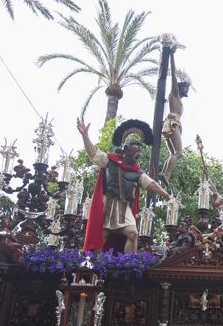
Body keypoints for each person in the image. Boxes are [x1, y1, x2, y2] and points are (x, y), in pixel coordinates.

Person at [78, 118, 171, 253]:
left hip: (123, 206)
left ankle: (127, 265)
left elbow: (152, 184)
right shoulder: (109, 160)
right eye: (136, 150)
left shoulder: (137, 171)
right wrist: (85, 136)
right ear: (126, 149)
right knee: (101, 236)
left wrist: (167, 196)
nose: (138, 154)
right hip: (107, 203)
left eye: (140, 151)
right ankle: (96, 267)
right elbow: (93, 153)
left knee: (133, 233)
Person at [160, 50, 189, 187]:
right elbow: (173, 77)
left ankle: (164, 173)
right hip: (172, 122)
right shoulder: (175, 94)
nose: (187, 91)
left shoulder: (177, 98)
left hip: (173, 123)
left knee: (173, 153)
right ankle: (166, 174)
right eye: (186, 88)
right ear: (180, 88)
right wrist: (171, 55)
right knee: (179, 152)